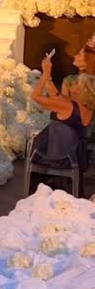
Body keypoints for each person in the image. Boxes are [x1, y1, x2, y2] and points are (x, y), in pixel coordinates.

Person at [31, 54, 94, 190]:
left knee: (33, 145)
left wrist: (43, 77)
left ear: (81, 90)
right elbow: (56, 96)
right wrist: (48, 75)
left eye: (77, 83)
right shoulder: (88, 106)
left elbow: (36, 96)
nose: (73, 84)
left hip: (59, 156)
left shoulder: (67, 105)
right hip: (77, 156)